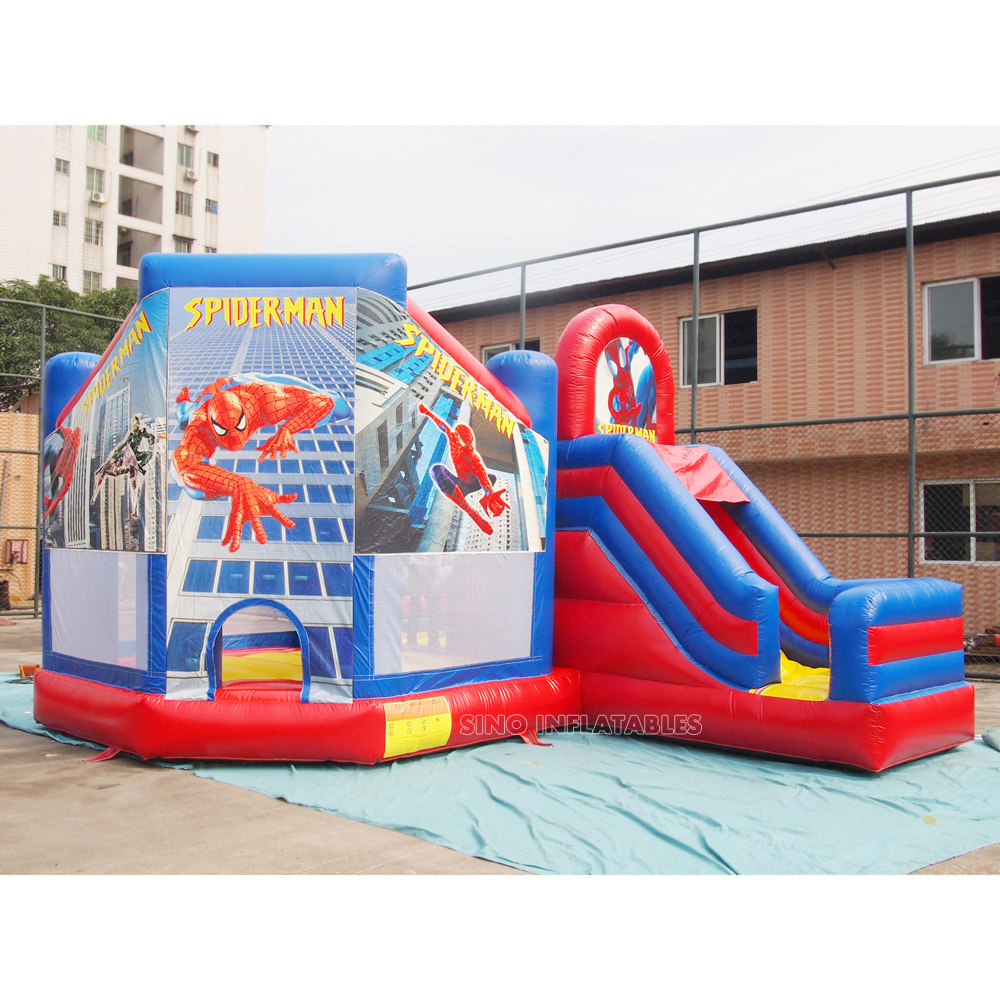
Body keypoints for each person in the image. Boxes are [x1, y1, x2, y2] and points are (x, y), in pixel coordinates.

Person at [172, 375, 347, 552]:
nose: (234, 438)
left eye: (239, 426)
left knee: (341, 409)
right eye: (223, 431)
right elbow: (184, 468)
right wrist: (237, 484)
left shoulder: (266, 399)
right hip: (207, 400)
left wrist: (289, 428)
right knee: (184, 417)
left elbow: (324, 402)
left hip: (241, 385)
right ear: (212, 423)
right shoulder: (200, 422)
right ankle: (183, 398)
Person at [418, 401, 508, 535]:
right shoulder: (453, 439)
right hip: (460, 485)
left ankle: (483, 499)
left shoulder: (474, 459)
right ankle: (471, 511)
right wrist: (427, 412)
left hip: (472, 484)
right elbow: (442, 425)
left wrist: (489, 493)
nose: (468, 447)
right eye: (465, 443)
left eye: (469, 444)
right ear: (459, 439)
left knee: (491, 477)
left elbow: (483, 477)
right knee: (436, 470)